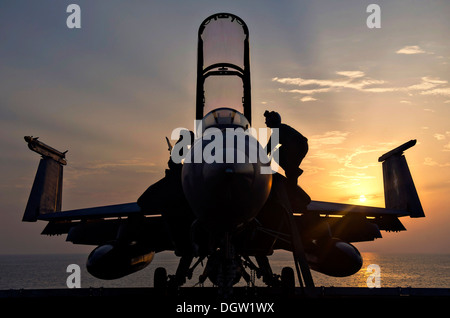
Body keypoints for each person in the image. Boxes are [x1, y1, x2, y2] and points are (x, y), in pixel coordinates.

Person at [264, 110, 308, 186]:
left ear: (271, 120)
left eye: (267, 120)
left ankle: (294, 173)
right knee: (291, 172)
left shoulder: (278, 130)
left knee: (277, 154)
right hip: (302, 146)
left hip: (298, 146)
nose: (265, 122)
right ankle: (293, 185)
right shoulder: (281, 128)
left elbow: (268, 149)